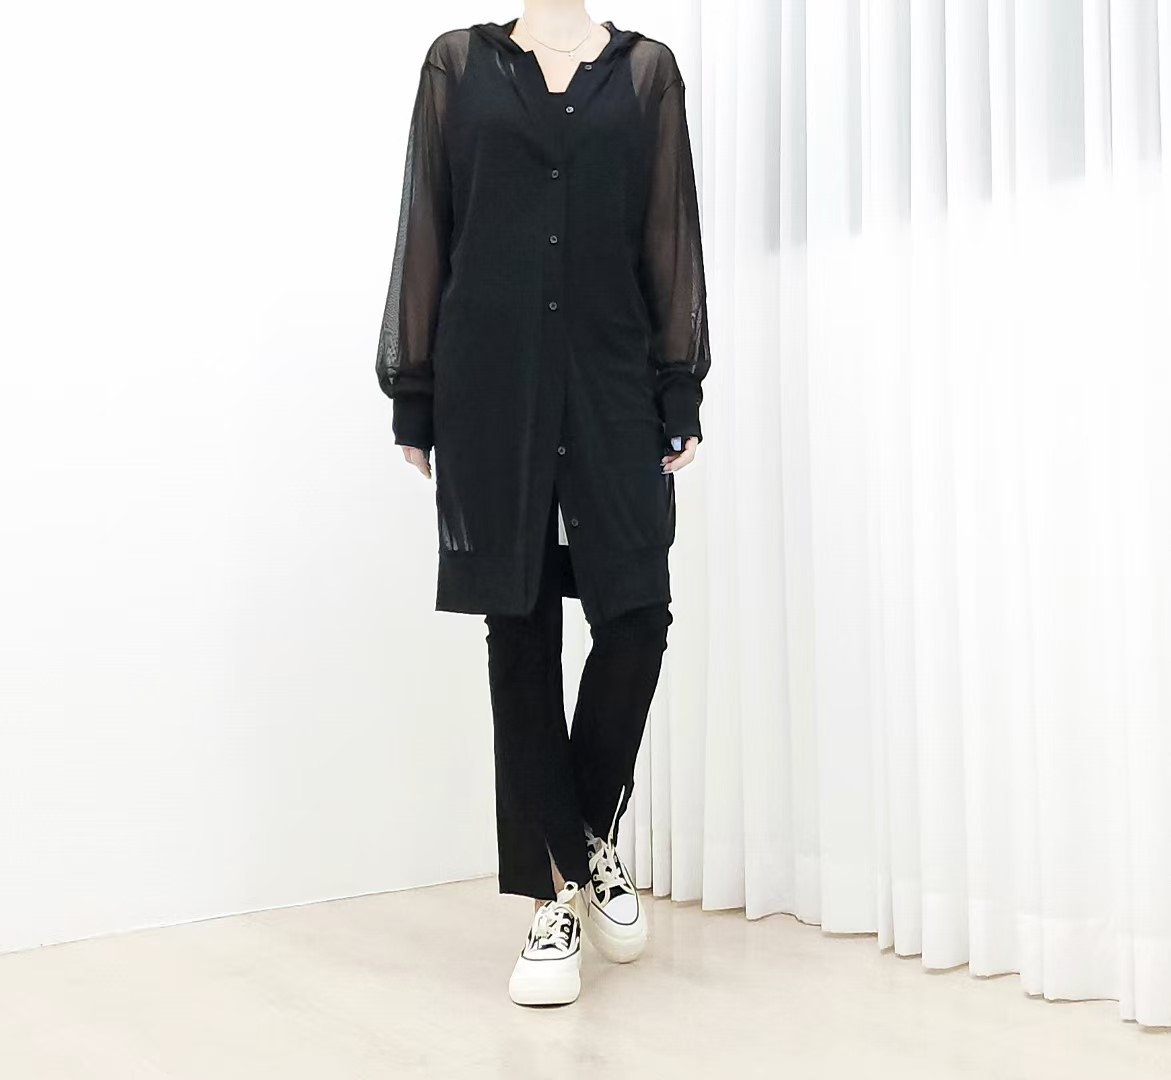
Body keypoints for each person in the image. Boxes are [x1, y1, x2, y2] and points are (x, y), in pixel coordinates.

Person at [374, 2, 711, 1007]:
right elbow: (428, 224)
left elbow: (667, 231)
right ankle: (553, 899)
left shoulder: (645, 73)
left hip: (610, 376)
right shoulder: (456, 65)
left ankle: (581, 836)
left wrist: (678, 385)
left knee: (636, 614)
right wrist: (415, 391)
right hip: (490, 381)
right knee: (516, 626)